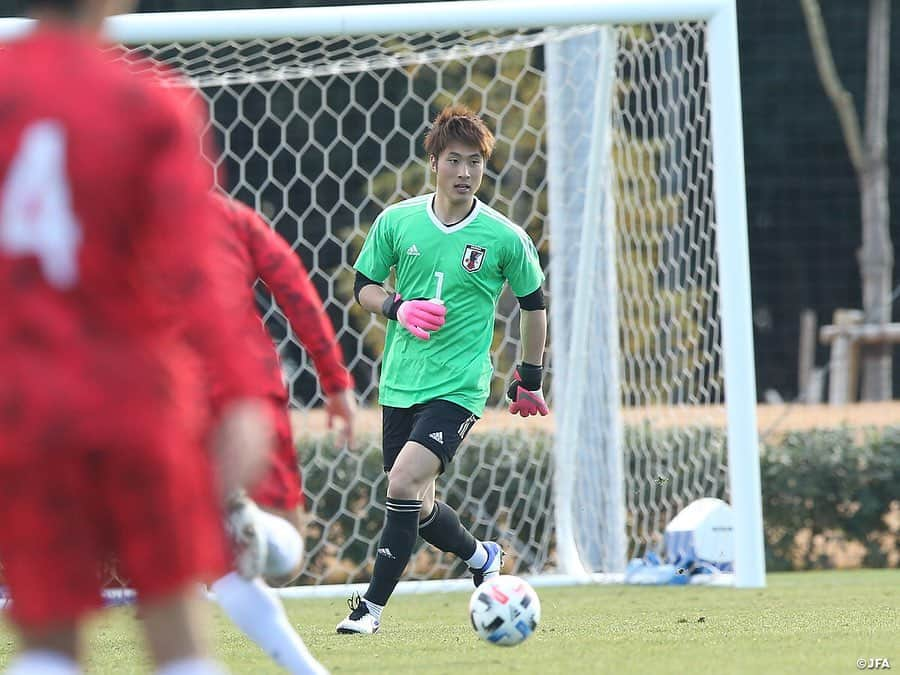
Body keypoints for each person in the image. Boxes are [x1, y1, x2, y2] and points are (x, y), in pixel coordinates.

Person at [0, 2, 272, 673]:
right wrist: (243, 390)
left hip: (24, 408)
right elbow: (196, 271)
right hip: (135, 402)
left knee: (45, 642)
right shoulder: (148, 102)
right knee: (177, 627)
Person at [336, 104, 549, 635]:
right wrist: (398, 308)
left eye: (475, 162)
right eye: (454, 160)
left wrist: (529, 377)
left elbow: (534, 304)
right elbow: (362, 286)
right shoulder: (398, 221)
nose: (464, 172)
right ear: (434, 161)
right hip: (400, 384)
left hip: (459, 387)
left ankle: (370, 609)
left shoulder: (504, 237)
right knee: (419, 503)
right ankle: (481, 556)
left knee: (404, 482)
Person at [206, 192, 355, 675]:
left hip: (163, 390)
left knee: (209, 558)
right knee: (284, 550)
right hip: (244, 381)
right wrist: (334, 379)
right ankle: (249, 522)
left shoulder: (110, 225)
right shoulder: (230, 216)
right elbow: (294, 289)